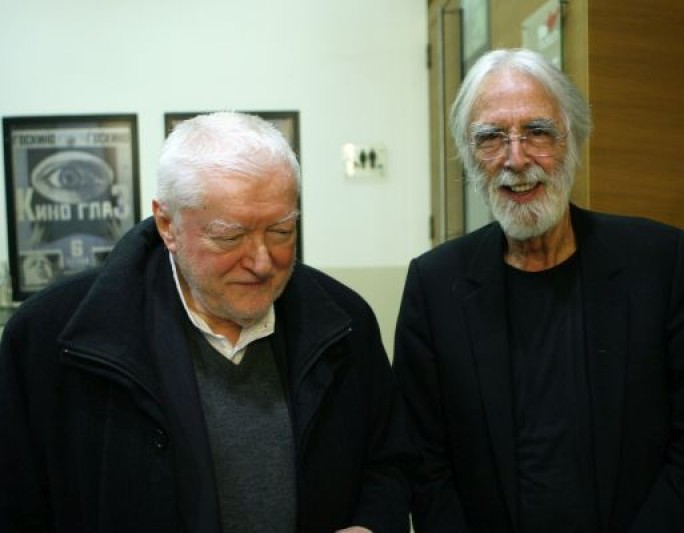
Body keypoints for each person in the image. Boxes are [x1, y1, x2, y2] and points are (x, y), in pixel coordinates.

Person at [0, 112, 414, 533]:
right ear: (168, 225)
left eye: (281, 231)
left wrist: (373, 524)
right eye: (229, 236)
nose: (261, 261)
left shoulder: (344, 324)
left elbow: (388, 462)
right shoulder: (51, 341)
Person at [393, 48, 684, 533]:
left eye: (537, 132)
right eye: (491, 138)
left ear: (572, 139)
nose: (516, 159)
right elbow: (422, 461)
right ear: (472, 158)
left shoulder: (659, 262)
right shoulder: (434, 285)